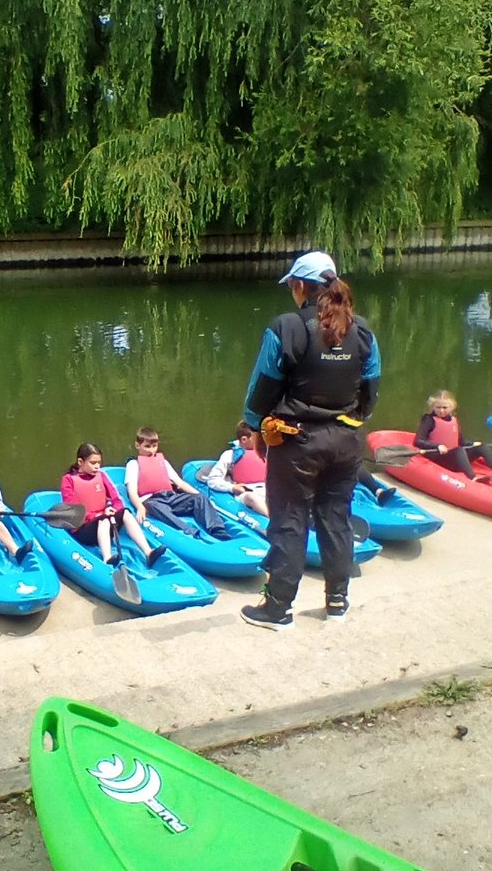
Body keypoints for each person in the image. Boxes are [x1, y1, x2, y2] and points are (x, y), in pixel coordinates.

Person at [240, 251, 382, 630]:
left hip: (298, 443)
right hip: (346, 442)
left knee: (289, 521)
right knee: (336, 518)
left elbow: (263, 385)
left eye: (291, 284)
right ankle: (337, 601)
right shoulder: (363, 330)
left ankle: (277, 609)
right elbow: (372, 388)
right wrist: (354, 421)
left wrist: (255, 427)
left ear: (300, 286)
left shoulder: (286, 327)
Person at [61, 442, 165, 567]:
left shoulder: (101, 476)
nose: (97, 467)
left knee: (125, 512)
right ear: (80, 462)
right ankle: (107, 559)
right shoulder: (68, 480)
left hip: (104, 522)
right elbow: (75, 510)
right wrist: (98, 515)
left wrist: (113, 509)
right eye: (92, 463)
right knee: (103, 520)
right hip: (84, 529)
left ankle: (149, 553)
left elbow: (117, 500)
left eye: (99, 463)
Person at [125, 426, 232, 538]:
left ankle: (217, 530)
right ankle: (187, 530)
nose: (152, 450)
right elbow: (132, 492)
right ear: (137, 445)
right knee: (153, 505)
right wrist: (140, 507)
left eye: (154, 446)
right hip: (152, 500)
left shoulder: (163, 462)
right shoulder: (133, 464)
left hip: (170, 497)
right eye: (147, 447)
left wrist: (200, 496)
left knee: (200, 498)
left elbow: (179, 482)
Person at [414, 390, 492, 488]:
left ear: (452, 407)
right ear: (433, 407)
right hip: (439, 458)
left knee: (481, 446)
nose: (441, 411)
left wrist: (473, 444)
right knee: (459, 451)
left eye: (445, 407)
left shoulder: (454, 420)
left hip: (454, 457)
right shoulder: (428, 420)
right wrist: (437, 446)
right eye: (438, 407)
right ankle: (473, 478)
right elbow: (418, 441)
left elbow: (461, 442)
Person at [207, 420, 270, 517]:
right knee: (251, 497)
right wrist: (232, 487)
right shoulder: (230, 455)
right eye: (258, 438)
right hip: (247, 492)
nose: (262, 441)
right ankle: (272, 519)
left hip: (268, 490)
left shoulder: (267, 453)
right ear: (244, 439)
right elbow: (213, 480)